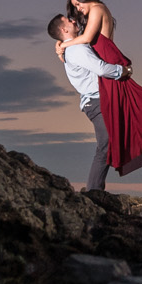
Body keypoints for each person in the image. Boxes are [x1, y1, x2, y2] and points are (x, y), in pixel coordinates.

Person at [48, 10, 129, 191]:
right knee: (105, 145)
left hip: (95, 101)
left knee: (108, 144)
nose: (73, 21)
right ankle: (94, 191)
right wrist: (123, 71)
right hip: (96, 102)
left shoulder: (72, 47)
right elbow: (100, 69)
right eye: (68, 20)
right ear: (63, 29)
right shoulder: (76, 49)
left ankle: (95, 190)